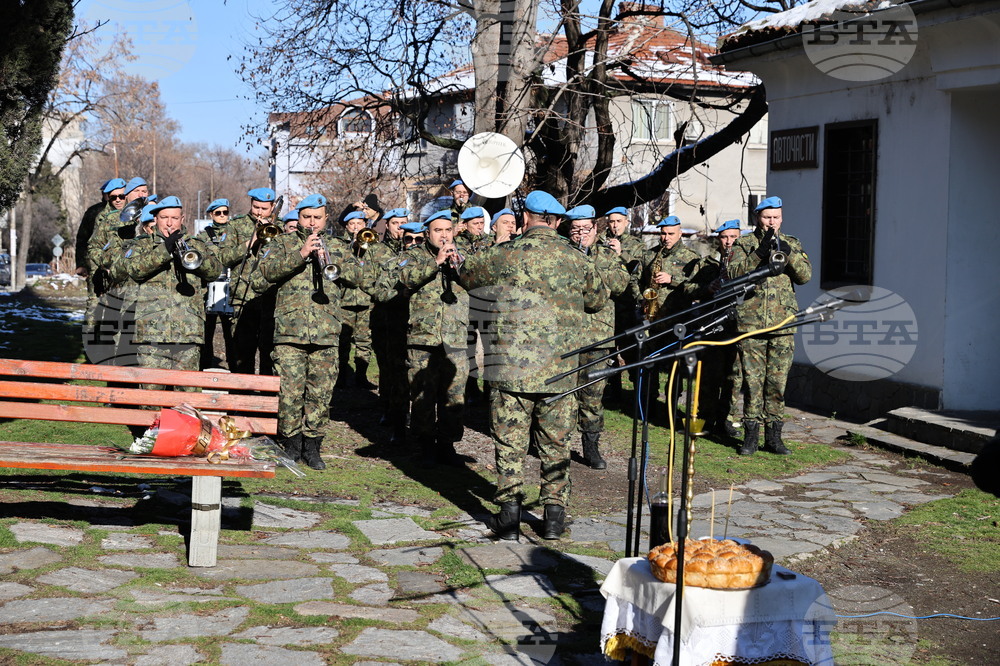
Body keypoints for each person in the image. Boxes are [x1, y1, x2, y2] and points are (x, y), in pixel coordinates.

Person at [460, 191, 613, 541]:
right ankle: (554, 520)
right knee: (556, 445)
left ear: (526, 217)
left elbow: (466, 276)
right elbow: (597, 300)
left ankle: (510, 518)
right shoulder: (577, 259)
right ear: (558, 221)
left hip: (510, 368)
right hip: (559, 371)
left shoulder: (502, 255)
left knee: (509, 444)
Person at [258, 194, 367, 469]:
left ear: (325, 219)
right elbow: (267, 272)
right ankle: (291, 445)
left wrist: (332, 262)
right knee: (289, 392)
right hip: (289, 331)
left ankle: (313, 447)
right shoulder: (283, 243)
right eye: (307, 217)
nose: (312, 223)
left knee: (320, 394)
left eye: (317, 218)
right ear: (299, 217)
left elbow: (358, 277)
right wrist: (301, 254)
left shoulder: (337, 246)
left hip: (327, 331)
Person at [728, 197, 812, 456]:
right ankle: (751, 437)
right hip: (751, 324)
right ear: (757, 218)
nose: (771, 222)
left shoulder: (792, 243)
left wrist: (788, 254)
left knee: (776, 383)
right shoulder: (744, 244)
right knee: (753, 382)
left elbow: (806, 276)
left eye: (775, 217)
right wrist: (759, 254)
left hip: (782, 323)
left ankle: (774, 437)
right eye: (766, 218)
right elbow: (733, 275)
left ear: (781, 218)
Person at [396, 209, 470, 464]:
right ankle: (425, 445)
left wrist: (459, 266)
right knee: (422, 394)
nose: (444, 235)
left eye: (448, 230)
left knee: (454, 395)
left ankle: (448, 444)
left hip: (456, 338)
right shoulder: (414, 256)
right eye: (438, 230)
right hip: (422, 337)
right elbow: (403, 279)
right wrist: (435, 263)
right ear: (427, 233)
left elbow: (479, 284)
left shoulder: (464, 256)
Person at [122, 196, 222, 377]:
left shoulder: (196, 245)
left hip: (188, 333)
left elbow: (215, 272)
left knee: (187, 399)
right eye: (164, 218)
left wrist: (195, 259)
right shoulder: (142, 245)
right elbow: (134, 270)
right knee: (150, 397)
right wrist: (164, 251)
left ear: (182, 220)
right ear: (156, 219)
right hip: (151, 334)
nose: (169, 223)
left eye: (174, 218)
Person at [566, 205, 630, 470]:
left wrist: (591, 264)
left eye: (586, 229)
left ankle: (590, 447)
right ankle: (555, 446)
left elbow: (620, 284)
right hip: (566, 337)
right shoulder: (560, 254)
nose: (581, 234)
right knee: (564, 396)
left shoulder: (606, 255)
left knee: (593, 396)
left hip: (598, 337)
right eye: (575, 229)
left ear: (595, 229)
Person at [367, 219, 420, 444]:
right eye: (409, 239)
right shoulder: (394, 264)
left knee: (422, 383)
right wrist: (400, 297)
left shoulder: (435, 264)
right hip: (397, 328)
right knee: (398, 381)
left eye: (419, 239)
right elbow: (378, 292)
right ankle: (398, 427)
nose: (414, 243)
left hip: (424, 332)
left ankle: (422, 433)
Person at [216, 187, 280, 374]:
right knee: (242, 353)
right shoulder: (236, 225)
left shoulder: (281, 227)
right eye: (255, 207)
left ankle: (267, 399)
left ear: (273, 207)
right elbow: (223, 258)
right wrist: (248, 244)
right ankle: (242, 395)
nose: (259, 212)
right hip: (241, 297)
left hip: (270, 298)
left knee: (270, 352)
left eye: (264, 208)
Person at [690, 219, 744, 438]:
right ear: (718, 240)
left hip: (737, 324)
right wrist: (706, 288)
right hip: (713, 324)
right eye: (724, 237)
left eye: (733, 237)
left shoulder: (745, 261)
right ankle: (706, 418)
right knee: (709, 375)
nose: (729, 241)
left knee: (734, 376)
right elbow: (689, 288)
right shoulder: (707, 264)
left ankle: (727, 420)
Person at [602, 206, 646, 402]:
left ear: (626, 222)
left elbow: (637, 269)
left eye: (618, 221)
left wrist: (621, 254)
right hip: (607, 305)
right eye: (611, 221)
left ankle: (638, 393)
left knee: (631, 351)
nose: (614, 225)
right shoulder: (601, 242)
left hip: (627, 305)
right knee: (608, 352)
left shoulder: (636, 244)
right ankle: (613, 391)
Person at [78, 178, 124, 330]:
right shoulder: (95, 213)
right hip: (97, 265)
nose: (117, 200)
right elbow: (83, 239)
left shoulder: (130, 212)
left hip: (121, 267)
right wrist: (81, 264)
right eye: (112, 196)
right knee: (95, 303)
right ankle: (92, 338)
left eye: (121, 196)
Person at [338, 211, 376, 389]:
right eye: (352, 224)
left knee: (364, 341)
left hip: (366, 301)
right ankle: (341, 377)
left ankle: (361, 376)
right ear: (346, 227)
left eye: (359, 223)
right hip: (344, 300)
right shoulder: (339, 246)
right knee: (342, 341)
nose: (356, 227)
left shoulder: (373, 244)